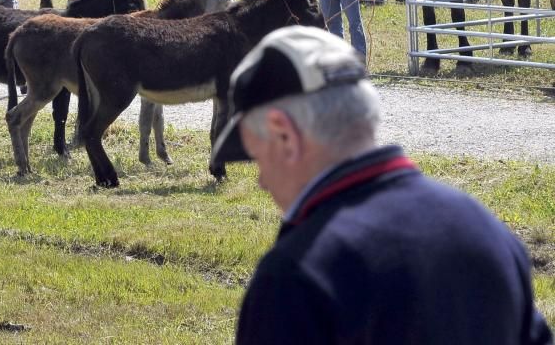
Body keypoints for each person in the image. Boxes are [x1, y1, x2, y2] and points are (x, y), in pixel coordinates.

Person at [212, 26, 554, 345]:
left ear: (283, 133)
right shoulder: (485, 229)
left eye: (256, 157)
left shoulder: (296, 277)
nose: (261, 182)